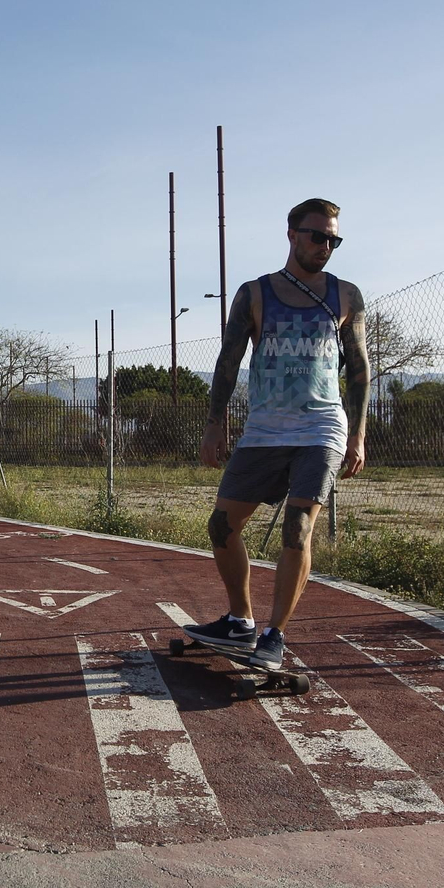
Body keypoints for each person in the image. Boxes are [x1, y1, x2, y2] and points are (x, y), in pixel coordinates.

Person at [183, 197, 370, 672]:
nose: (325, 246)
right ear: (292, 235)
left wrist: (358, 434)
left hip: (321, 429)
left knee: (297, 527)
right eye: (317, 236)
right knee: (221, 526)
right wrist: (214, 423)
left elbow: (359, 370)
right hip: (264, 430)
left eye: (333, 240)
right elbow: (228, 361)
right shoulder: (255, 293)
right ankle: (240, 621)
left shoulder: (346, 296)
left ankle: (274, 635)